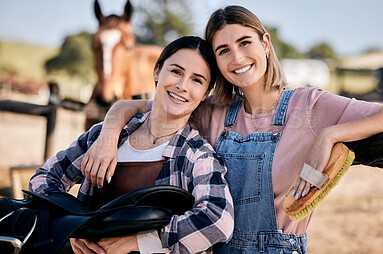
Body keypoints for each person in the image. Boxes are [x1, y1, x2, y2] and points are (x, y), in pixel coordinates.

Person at [81, 5, 383, 254]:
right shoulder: (213, 113)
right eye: (223, 50)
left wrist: (331, 135)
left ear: (265, 43)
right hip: (210, 247)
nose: (237, 57)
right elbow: (136, 106)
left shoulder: (309, 105)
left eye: (244, 42)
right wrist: (109, 134)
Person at [29, 36, 234, 254]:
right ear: (157, 71)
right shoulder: (106, 137)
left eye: (197, 80)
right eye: (176, 71)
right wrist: (71, 226)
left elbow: (219, 220)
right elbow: (44, 178)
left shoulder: (197, 155)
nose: (182, 86)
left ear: (205, 94)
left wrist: (141, 241)